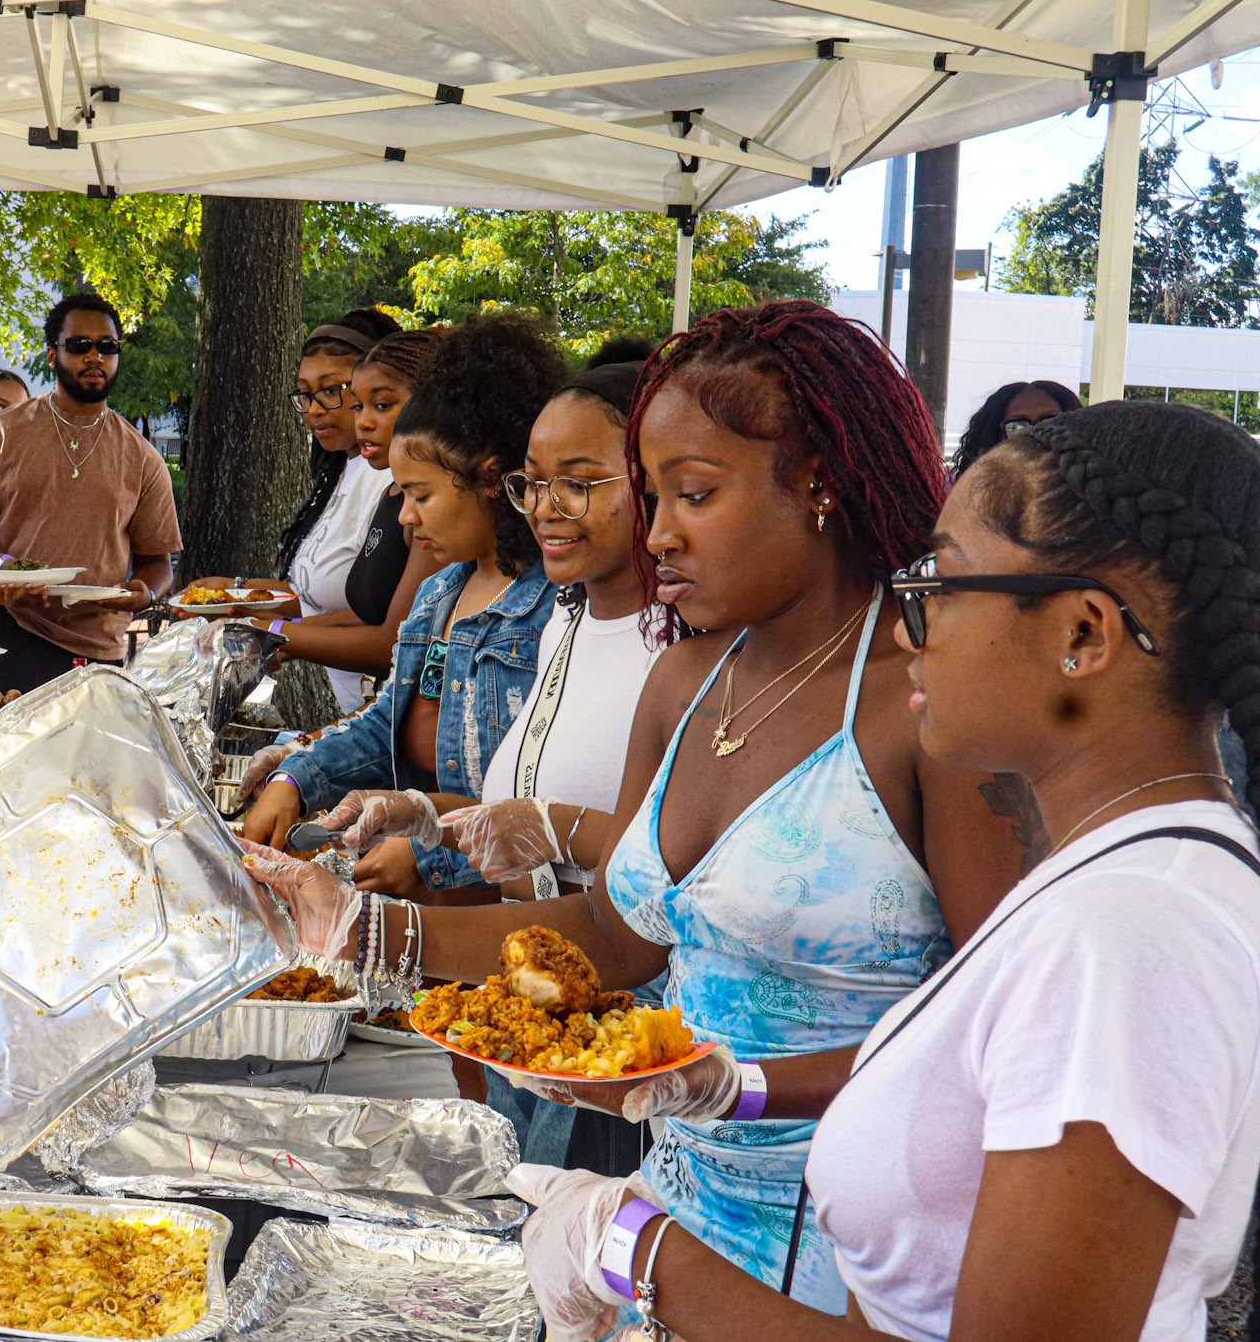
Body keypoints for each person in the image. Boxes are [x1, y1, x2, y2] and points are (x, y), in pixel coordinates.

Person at [249, 300, 1033, 1315]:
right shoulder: (687, 679)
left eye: (693, 495)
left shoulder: (929, 700)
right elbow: (610, 937)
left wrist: (738, 1085)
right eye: (649, 495)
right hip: (666, 1221)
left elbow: (988, 1036)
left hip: (861, 1255)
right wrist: (364, 930)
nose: (656, 534)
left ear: (820, 482)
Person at [505, 399, 1260, 1342]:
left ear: (1082, 634)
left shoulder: (1127, 932)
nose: (911, 627)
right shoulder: (1119, 880)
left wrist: (635, 1252)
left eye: (939, 582)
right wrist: (731, 1085)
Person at [320, 336, 663, 1172]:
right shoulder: (571, 617)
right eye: (534, 484)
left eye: (577, 483)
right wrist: (432, 817)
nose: (544, 506)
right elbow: (519, 810)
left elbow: (654, 881)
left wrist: (388, 927)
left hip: (617, 1054)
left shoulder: (677, 646)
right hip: (529, 1033)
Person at [241, 315, 565, 901]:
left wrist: (426, 849)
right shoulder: (440, 595)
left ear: (490, 480)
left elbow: (548, 803)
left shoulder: (553, 611)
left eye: (421, 495)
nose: (407, 517)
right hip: (433, 908)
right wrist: (296, 775)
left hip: (510, 914)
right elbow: (387, 721)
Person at [0, 291, 181, 692]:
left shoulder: (143, 457)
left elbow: (157, 562)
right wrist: (2, 569)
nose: (95, 357)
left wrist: (143, 593)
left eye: (107, 347)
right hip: (1, 631)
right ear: (51, 355)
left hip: (95, 648)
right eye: (79, 346)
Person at [244, 329, 447, 684]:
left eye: (381, 405)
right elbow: (369, 615)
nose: (364, 421)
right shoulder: (391, 496)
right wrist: (262, 625)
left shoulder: (434, 509)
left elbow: (394, 643)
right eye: (358, 406)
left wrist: (270, 631)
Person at [949, 379, 1080, 479]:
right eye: (1017, 426)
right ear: (995, 436)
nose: (1036, 435)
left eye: (1050, 422)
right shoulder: (962, 497)